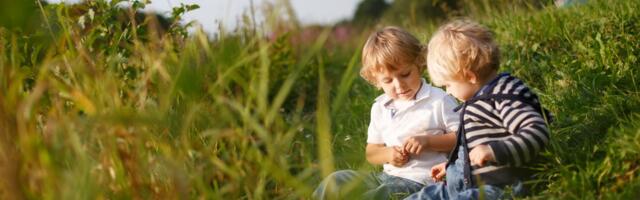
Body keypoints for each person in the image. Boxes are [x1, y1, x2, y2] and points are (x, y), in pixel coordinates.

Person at [405, 20, 552, 200]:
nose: (447, 91)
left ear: (469, 76)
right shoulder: (478, 98)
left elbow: (537, 132)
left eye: (448, 85)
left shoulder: (504, 95)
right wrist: (452, 167)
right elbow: (474, 147)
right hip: (462, 184)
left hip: (500, 186)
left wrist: (494, 150)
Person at [313, 26, 460, 199]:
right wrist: (389, 154)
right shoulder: (380, 107)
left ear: (419, 63)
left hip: (422, 181)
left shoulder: (439, 100)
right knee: (336, 180)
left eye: (405, 74)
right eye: (388, 80)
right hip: (386, 176)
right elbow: (372, 152)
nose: (399, 85)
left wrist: (428, 142)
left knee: (381, 195)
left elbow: (461, 138)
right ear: (376, 80)